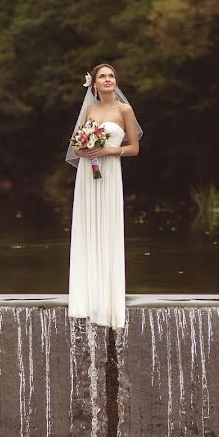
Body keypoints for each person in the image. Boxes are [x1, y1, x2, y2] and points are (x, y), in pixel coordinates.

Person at [65, 63, 142, 329]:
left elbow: (134, 148)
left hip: (110, 172)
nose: (108, 79)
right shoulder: (89, 110)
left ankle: (108, 296)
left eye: (111, 76)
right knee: (88, 228)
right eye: (102, 76)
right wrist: (85, 150)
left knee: (107, 226)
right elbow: (77, 145)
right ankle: (86, 295)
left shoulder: (125, 110)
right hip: (89, 174)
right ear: (94, 84)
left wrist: (109, 151)